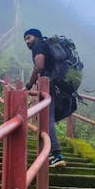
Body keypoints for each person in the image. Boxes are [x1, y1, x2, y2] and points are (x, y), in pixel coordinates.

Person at [23, 28, 67, 167]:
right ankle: (51, 153)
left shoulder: (38, 45)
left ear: (36, 37)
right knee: (48, 117)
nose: (27, 42)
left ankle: (56, 154)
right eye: (25, 39)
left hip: (48, 85)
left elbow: (39, 66)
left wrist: (28, 85)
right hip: (55, 85)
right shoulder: (45, 45)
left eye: (28, 37)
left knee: (47, 118)